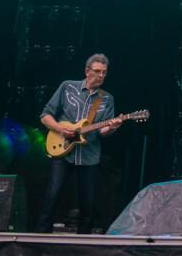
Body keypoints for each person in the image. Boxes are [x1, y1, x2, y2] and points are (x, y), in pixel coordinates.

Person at [35, 53, 122, 234]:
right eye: (97, 71)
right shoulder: (67, 87)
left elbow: (101, 132)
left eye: (104, 73)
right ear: (87, 71)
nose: (101, 76)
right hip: (62, 151)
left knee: (88, 203)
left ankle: (84, 240)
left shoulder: (107, 99)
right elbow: (45, 115)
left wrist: (113, 127)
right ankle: (40, 235)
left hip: (89, 155)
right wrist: (60, 129)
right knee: (52, 195)